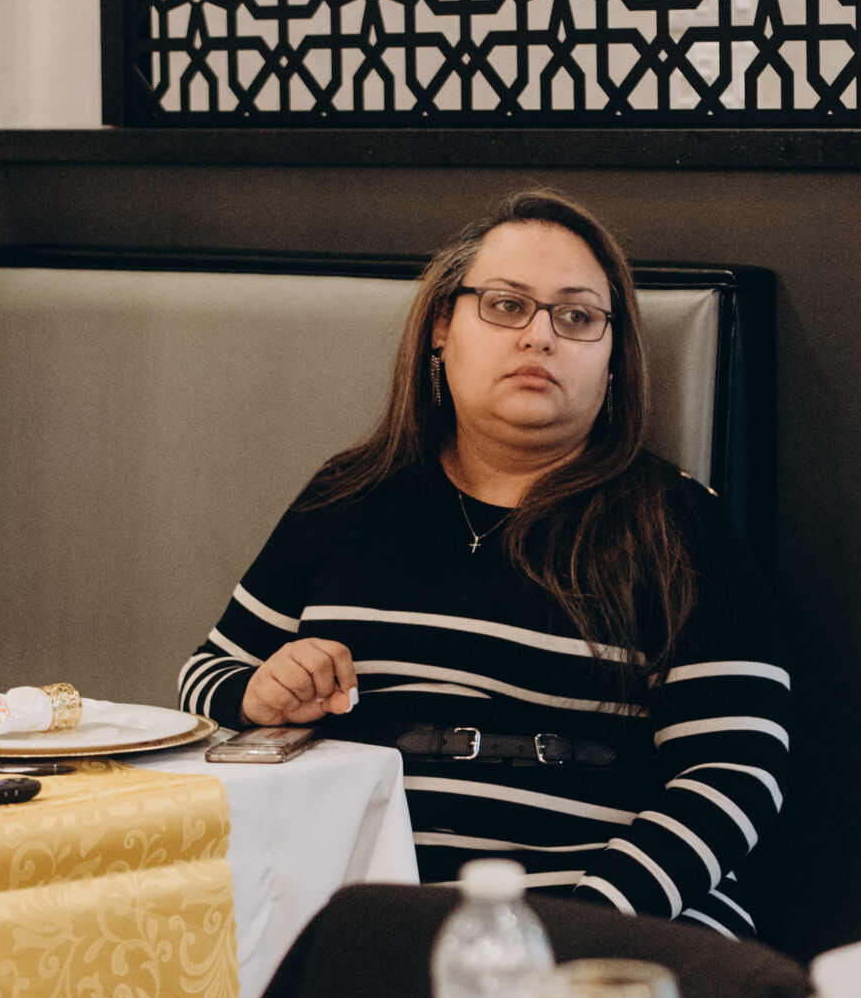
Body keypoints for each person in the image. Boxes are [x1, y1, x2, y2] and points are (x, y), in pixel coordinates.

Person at [179, 191, 790, 936]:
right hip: (360, 917)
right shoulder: (349, 495)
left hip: (608, 923)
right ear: (443, 326)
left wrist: (574, 927)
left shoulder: (679, 524)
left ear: (613, 357)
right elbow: (203, 677)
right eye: (506, 306)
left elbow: (733, 775)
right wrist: (259, 694)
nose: (540, 337)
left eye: (577, 317)